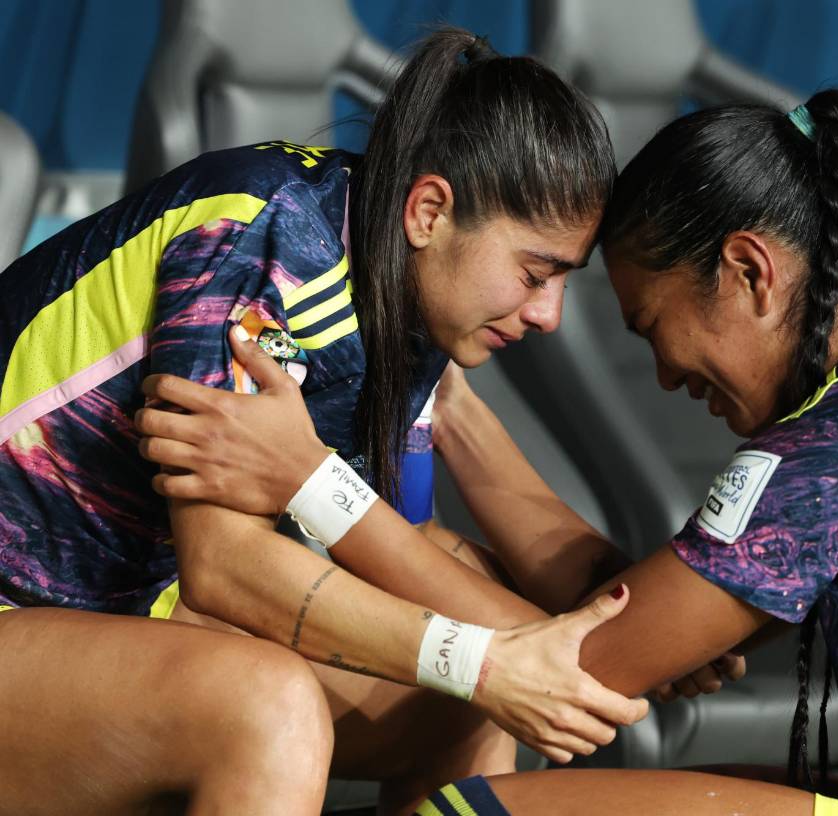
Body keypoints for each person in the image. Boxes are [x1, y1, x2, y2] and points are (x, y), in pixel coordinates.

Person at [137, 89, 838, 815]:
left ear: (748, 272)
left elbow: (580, 671)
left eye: (655, 328)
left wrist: (311, 486)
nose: (662, 376)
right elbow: (608, 602)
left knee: (474, 813)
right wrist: (450, 405)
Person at [0, 29, 673, 815]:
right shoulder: (263, 234)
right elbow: (223, 565)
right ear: (430, 211)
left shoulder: (407, 292)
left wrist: (572, 648)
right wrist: (485, 659)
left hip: (113, 611)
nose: (549, 313)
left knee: (457, 693)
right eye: (534, 273)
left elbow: (398, 548)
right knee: (270, 704)